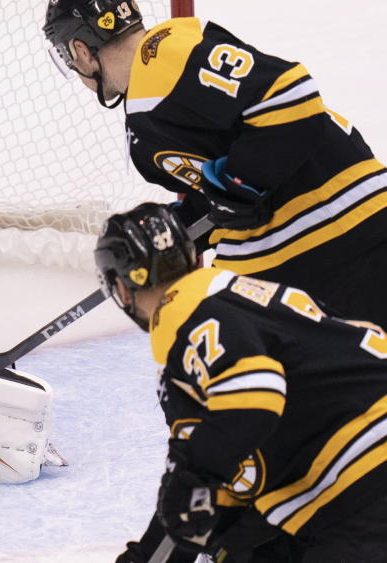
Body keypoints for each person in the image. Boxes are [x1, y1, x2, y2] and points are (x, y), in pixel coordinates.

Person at [43, 0, 387, 328]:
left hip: (342, 226)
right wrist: (172, 230)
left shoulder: (164, 55)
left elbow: (290, 93)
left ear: (80, 50)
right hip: (293, 252)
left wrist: (242, 180)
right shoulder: (144, 116)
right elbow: (228, 193)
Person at [94, 202, 387, 563]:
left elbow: (256, 397)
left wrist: (191, 478)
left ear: (121, 288)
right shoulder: (249, 294)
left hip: (364, 477)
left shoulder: (180, 311)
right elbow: (227, 472)